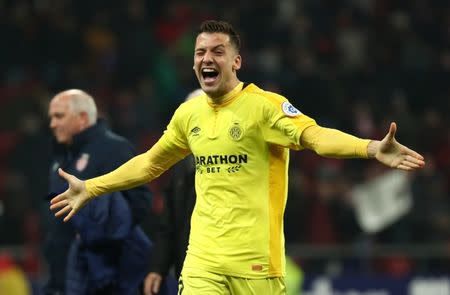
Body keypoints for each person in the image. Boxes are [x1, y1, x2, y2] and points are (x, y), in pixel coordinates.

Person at [49, 21, 425, 295]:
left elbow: (315, 138)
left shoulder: (264, 108)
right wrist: (92, 188)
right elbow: (150, 163)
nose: (206, 59)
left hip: (256, 264)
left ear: (237, 62)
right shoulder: (188, 115)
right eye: (200, 52)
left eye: (217, 51)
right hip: (202, 261)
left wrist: (370, 147)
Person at [45, 89, 152, 295]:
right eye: (51, 117)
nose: (52, 124)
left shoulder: (114, 149)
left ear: (83, 118)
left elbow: (140, 204)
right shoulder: (62, 155)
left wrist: (101, 240)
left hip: (106, 277)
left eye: (59, 116)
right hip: (64, 274)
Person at [143, 89, 203, 295]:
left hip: (219, 273)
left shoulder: (233, 167)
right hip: (186, 273)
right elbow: (169, 223)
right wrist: (157, 268)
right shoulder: (180, 167)